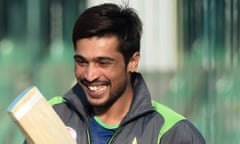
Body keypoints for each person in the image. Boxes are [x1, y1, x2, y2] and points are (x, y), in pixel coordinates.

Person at [24, 3, 205, 144]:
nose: (90, 75)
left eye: (103, 63)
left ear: (132, 62)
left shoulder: (173, 133)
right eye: (81, 61)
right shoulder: (53, 115)